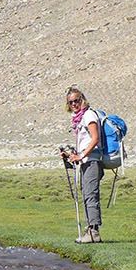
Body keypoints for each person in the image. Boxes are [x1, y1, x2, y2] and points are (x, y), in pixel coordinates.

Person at [59, 87, 104, 244]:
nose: (74, 104)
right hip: (86, 160)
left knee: (91, 194)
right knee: (86, 194)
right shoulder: (78, 118)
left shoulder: (89, 115)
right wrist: (71, 155)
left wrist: (82, 155)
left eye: (77, 100)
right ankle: (90, 230)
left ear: (82, 99)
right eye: (71, 102)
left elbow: (95, 138)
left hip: (92, 160)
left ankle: (94, 232)